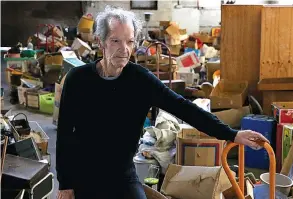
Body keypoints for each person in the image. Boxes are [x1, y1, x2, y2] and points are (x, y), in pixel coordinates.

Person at [56, 5, 269, 199]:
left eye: (130, 41)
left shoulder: (140, 80)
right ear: (100, 41)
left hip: (121, 175)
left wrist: (232, 134)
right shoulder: (78, 80)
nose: (124, 49)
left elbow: (184, 108)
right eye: (115, 41)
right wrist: (65, 184)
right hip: (83, 176)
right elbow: (65, 134)